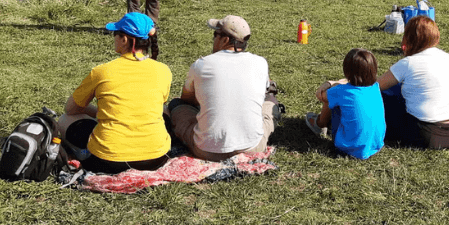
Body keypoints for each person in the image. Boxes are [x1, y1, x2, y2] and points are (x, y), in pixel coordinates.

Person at [58, 13, 172, 174]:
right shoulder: (163, 70)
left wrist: (99, 113)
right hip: (157, 158)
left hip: (109, 161)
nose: (114, 39)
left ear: (124, 39)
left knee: (64, 120)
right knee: (164, 108)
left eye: (115, 34)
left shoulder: (101, 71)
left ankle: (82, 153)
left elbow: (71, 109)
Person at [169, 15, 281, 161]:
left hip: (207, 150)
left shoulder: (201, 65)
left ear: (225, 40)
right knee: (270, 100)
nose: (213, 39)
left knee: (177, 105)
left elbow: (187, 100)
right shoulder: (260, 62)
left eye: (215, 34)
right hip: (253, 147)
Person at [376, 16, 449, 150]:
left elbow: (373, 87)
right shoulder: (448, 58)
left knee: (380, 98)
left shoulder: (408, 63)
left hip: (426, 134)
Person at [306, 49, 386, 160]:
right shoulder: (375, 88)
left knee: (332, 98)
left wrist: (328, 83)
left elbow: (320, 96)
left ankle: (320, 124)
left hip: (347, 149)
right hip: (375, 145)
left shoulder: (341, 91)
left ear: (347, 70)